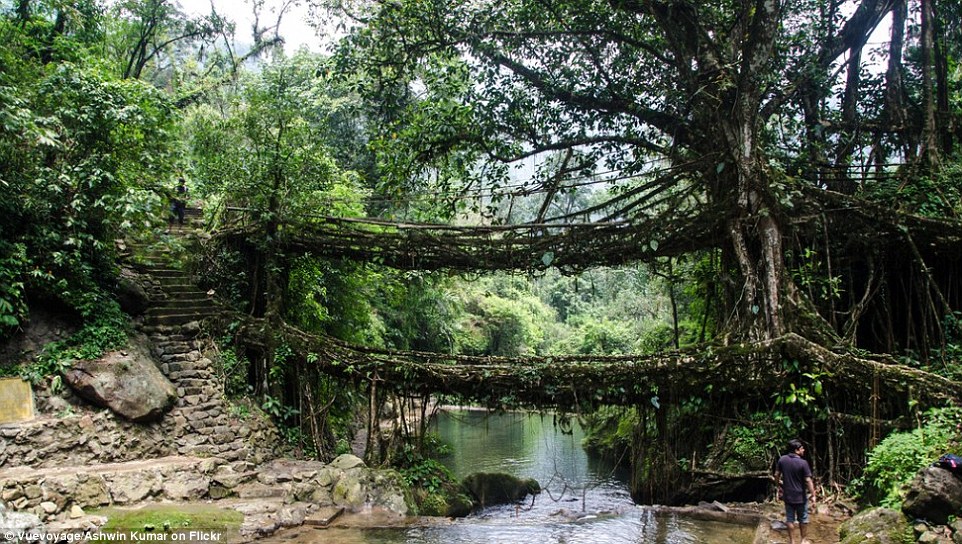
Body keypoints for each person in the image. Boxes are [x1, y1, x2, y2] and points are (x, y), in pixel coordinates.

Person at [774, 438, 817, 544]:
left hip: (788, 496)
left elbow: (776, 475)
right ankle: (803, 540)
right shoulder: (803, 463)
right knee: (803, 519)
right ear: (796, 450)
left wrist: (778, 485)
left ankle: (792, 541)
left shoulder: (782, 460)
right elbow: (808, 480)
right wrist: (813, 494)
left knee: (790, 519)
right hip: (801, 497)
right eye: (802, 449)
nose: (804, 450)